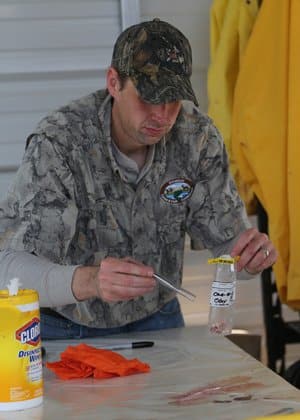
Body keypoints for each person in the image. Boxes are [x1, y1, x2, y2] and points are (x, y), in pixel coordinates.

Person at [0, 18, 277, 339]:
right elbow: (10, 269)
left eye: (173, 99)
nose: (162, 115)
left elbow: (229, 250)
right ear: (114, 83)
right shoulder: (61, 142)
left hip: (158, 317)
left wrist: (248, 260)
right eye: (148, 97)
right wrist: (90, 281)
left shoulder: (197, 138)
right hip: (65, 324)